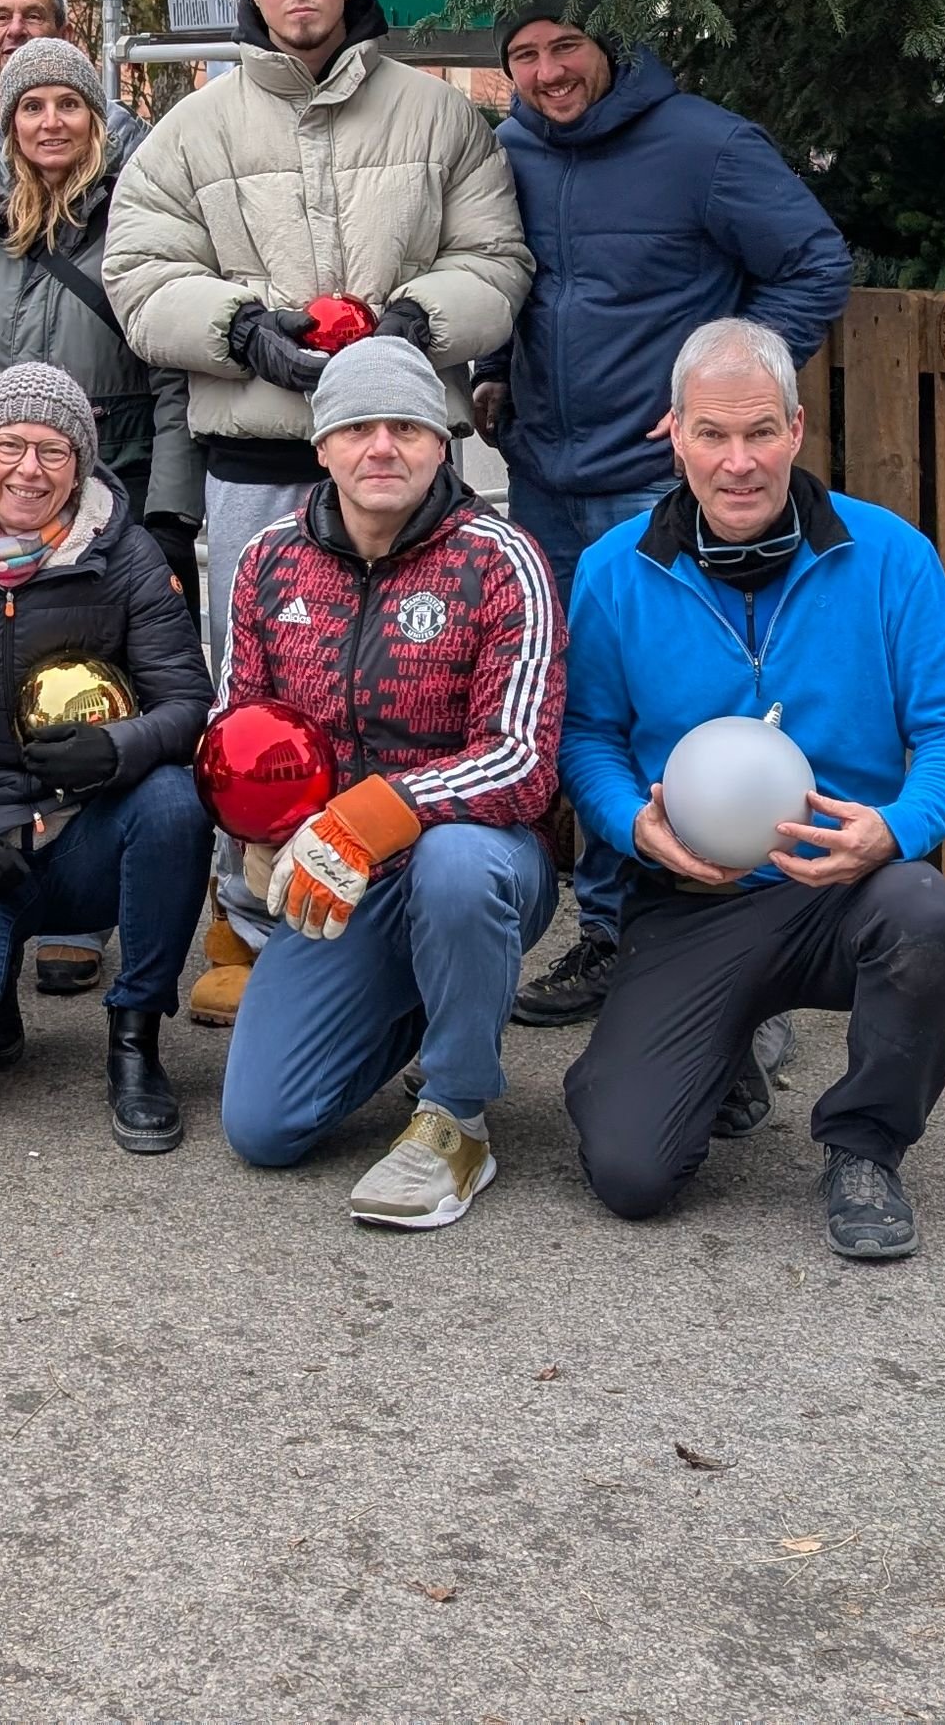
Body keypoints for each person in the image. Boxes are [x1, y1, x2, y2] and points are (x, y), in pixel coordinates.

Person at [105, 0, 532, 1022]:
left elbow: (495, 258)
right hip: (259, 455)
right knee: (264, 708)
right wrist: (243, 328)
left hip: (403, 457)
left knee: (415, 695)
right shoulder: (193, 129)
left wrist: (408, 328)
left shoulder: (439, 120)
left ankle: (404, 893)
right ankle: (250, 922)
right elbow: (140, 274)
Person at [557, 317, 945, 1261]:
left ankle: (865, 1146)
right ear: (672, 435)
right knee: (631, 1174)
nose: (738, 461)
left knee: (927, 914)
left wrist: (897, 827)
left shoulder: (887, 557)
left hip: (847, 891)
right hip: (693, 902)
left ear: (797, 432)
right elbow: (585, 737)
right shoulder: (614, 572)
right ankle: (721, 1056)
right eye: (712, 435)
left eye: (761, 432)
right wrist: (633, 824)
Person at [480, 0, 857, 1031]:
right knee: (587, 707)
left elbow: (814, 264)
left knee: (687, 709)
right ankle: (610, 931)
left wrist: (715, 399)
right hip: (547, 472)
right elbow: (512, 284)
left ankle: (739, 950)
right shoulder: (507, 148)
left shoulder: (707, 146)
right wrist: (491, 373)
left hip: (663, 479)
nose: (548, 72)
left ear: (609, 46)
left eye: (566, 48)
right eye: (524, 55)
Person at [212, 338, 561, 1229]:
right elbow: (234, 723)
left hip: (473, 857)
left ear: (443, 443)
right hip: (334, 873)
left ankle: (457, 1115)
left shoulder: (500, 558)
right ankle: (429, 1005)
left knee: (455, 868)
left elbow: (523, 760)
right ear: (321, 447)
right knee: (265, 1126)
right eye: (358, 428)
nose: (382, 448)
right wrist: (257, 827)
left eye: (407, 427)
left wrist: (380, 812)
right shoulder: (267, 561)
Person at [0, 32, 198, 1004]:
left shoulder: (137, 226)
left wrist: (168, 520)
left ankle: (82, 919)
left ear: (97, 119)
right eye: (32, 106)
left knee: (98, 698)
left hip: (111, 502)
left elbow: (173, 376)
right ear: (10, 122)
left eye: (70, 104)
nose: (52, 121)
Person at [0, 364, 213, 1149]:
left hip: (91, 828)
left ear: (83, 462)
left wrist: (113, 750)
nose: (30, 469)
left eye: (55, 451)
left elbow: (187, 703)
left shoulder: (124, 556)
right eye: (11, 445)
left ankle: (135, 1040)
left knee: (175, 801)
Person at [0, 0, 140, 178]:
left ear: (65, 36)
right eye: (1, 17)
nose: (15, 29)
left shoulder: (119, 129)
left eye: (33, 16)